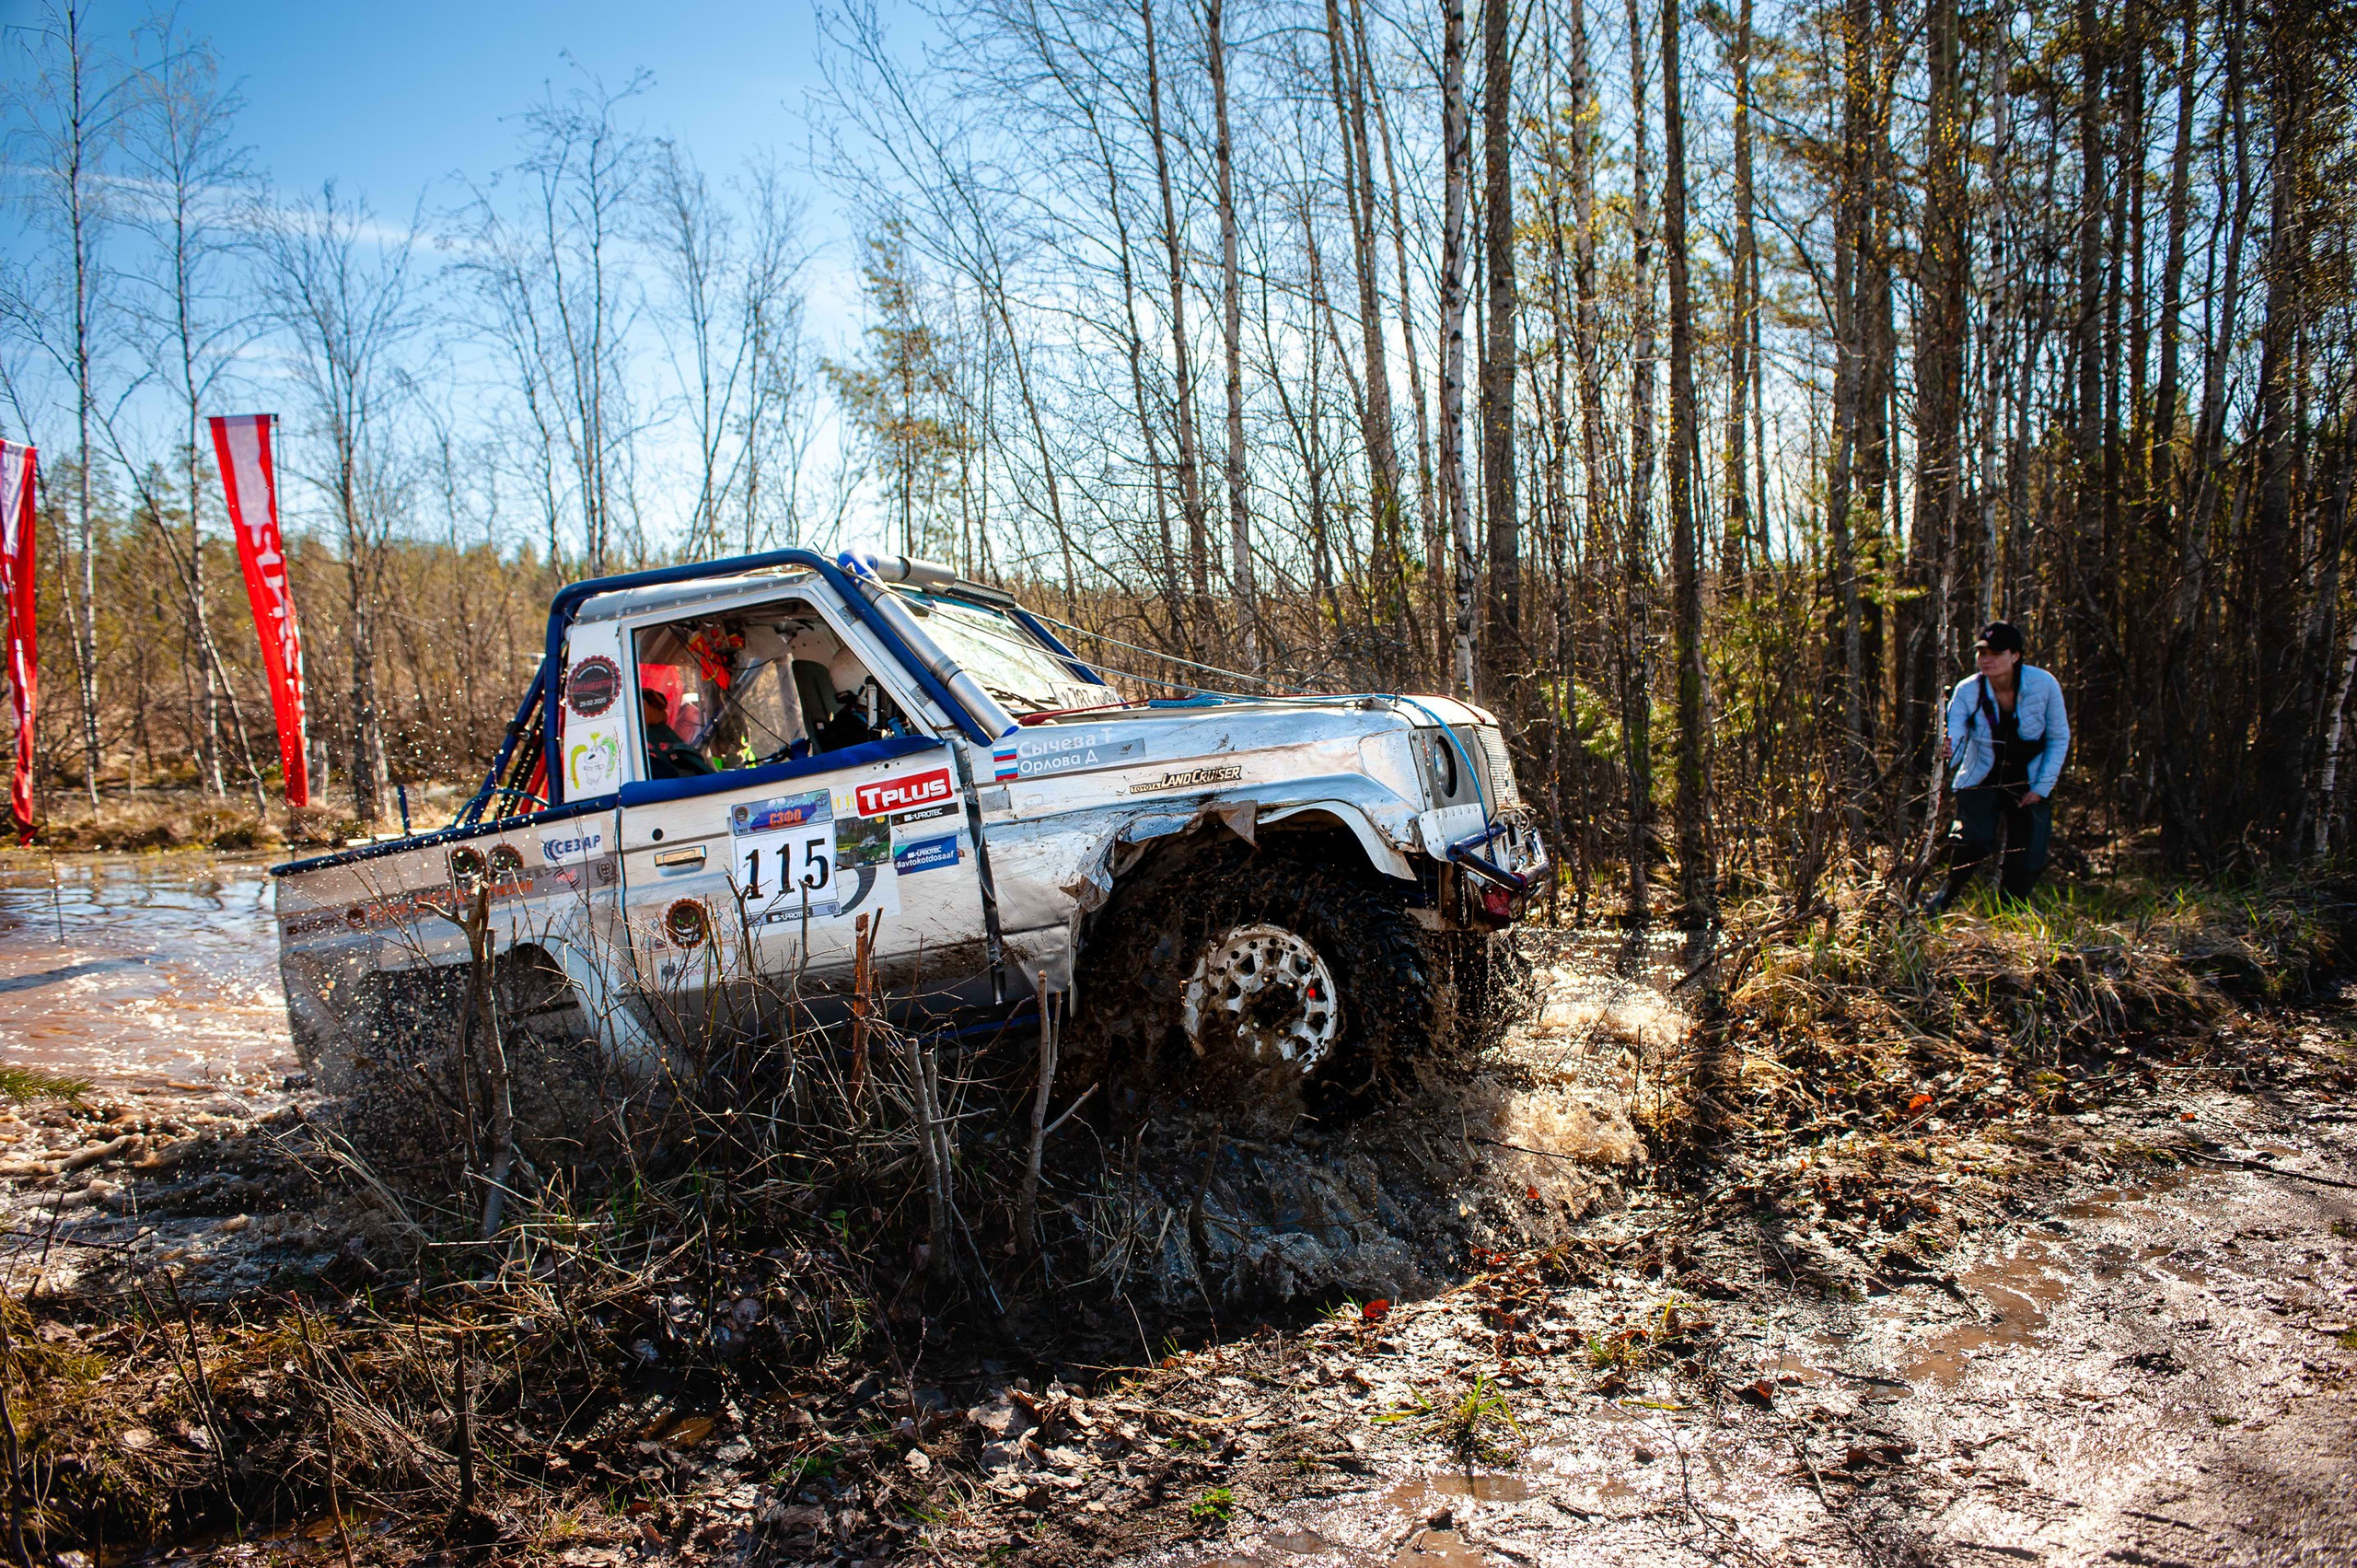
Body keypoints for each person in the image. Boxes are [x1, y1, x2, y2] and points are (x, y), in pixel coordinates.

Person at [1928, 621, 2070, 911]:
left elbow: (2059, 737)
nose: (1986, 659)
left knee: (2027, 855)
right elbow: (1955, 731)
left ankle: (2010, 917)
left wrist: (2042, 788)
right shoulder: (1967, 690)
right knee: (1971, 841)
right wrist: (1949, 750)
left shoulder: (2044, 685)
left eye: (1995, 652)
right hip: (1982, 777)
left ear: (2015, 655)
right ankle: (1943, 900)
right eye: (1982, 653)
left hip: (2029, 779)